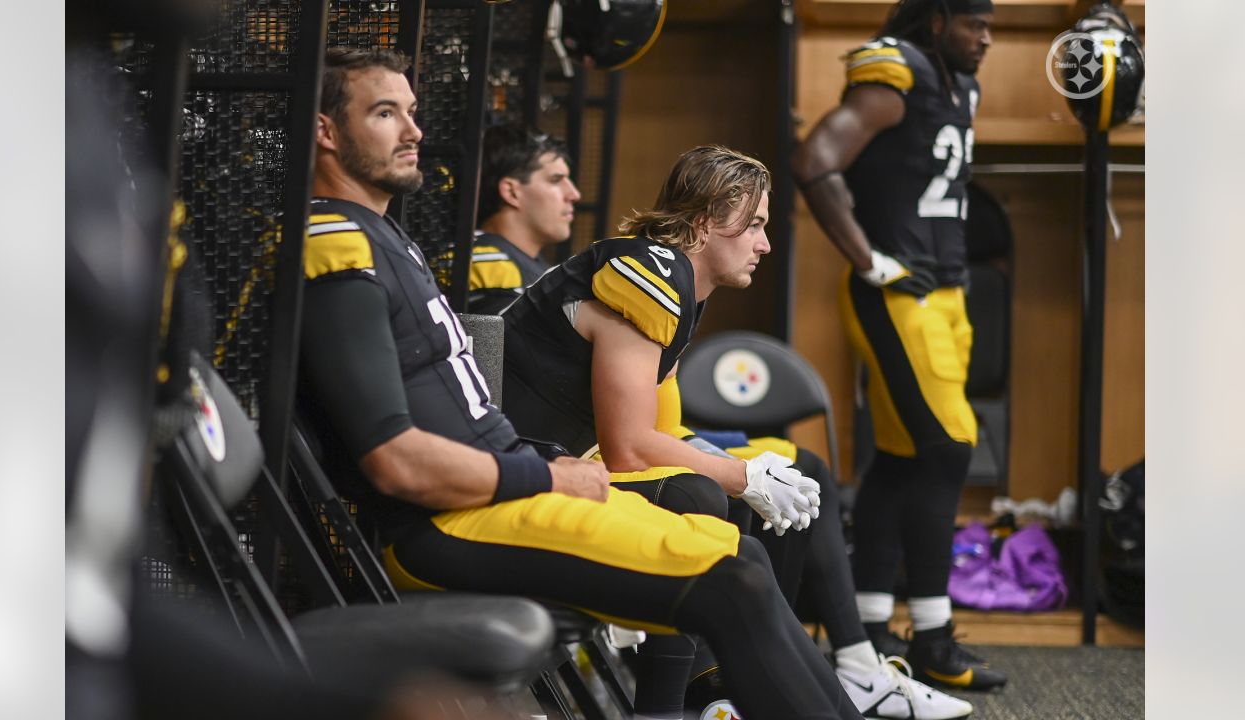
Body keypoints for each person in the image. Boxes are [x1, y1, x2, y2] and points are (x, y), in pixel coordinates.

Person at [294, 46, 864, 720]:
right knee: (729, 569)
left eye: (412, 113)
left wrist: (549, 466)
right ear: (326, 131)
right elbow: (395, 460)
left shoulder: (382, 235)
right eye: (386, 112)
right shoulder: (337, 244)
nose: (415, 131)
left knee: (741, 556)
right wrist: (550, 475)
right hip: (442, 522)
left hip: (500, 484)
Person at [501, 146, 971, 720]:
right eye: (754, 225)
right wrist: (739, 472)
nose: (765, 244)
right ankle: (686, 703)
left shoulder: (678, 280)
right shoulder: (655, 270)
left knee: (754, 492)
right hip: (514, 467)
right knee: (697, 494)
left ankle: (729, 696)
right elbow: (627, 447)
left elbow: (662, 429)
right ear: (705, 222)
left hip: (555, 456)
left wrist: (749, 475)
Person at [792, 0, 1007, 691]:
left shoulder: (956, 83)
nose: (987, 38)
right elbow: (815, 158)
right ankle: (935, 636)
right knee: (949, 447)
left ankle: (871, 624)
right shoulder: (897, 73)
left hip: (944, 289)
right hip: (898, 291)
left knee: (902, 452)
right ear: (938, 18)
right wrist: (868, 259)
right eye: (977, 23)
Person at [468, 123, 580, 315]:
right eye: (555, 180)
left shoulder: (523, 262)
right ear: (512, 191)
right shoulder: (484, 260)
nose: (574, 194)